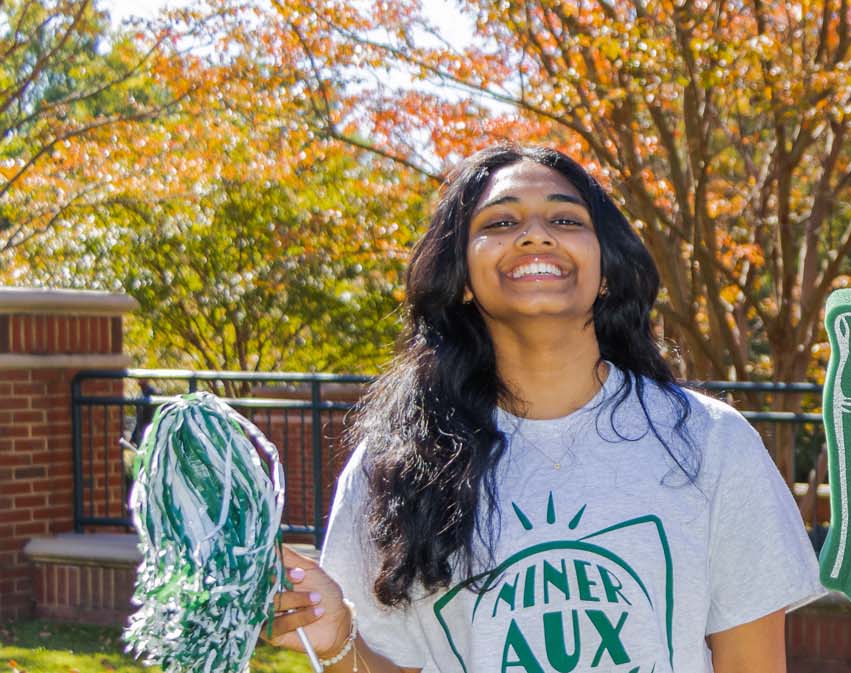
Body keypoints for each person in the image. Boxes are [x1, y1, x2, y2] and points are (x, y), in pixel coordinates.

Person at [263, 145, 822, 673]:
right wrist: (339, 641)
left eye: (567, 220)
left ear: (606, 271)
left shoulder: (708, 441)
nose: (534, 236)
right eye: (500, 223)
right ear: (461, 280)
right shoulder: (396, 464)